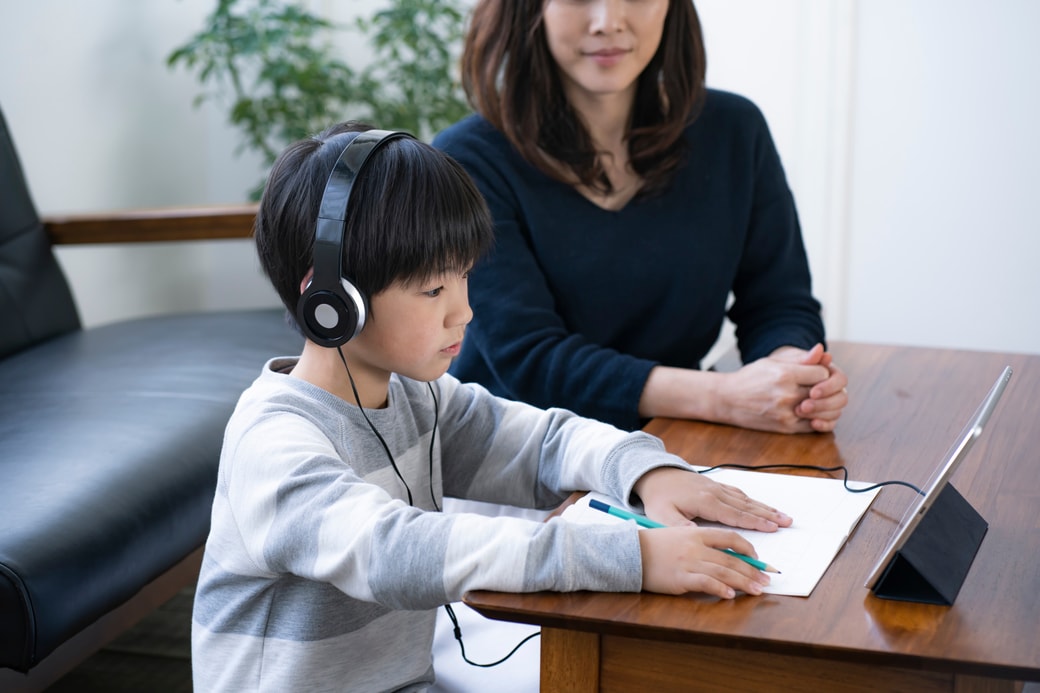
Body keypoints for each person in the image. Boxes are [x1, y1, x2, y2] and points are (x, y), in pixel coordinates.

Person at [189, 121, 793, 692]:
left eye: (464, 278)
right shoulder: (275, 446)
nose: (464, 313)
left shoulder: (416, 397)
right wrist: (631, 557)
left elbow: (540, 443)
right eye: (432, 290)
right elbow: (398, 552)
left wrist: (646, 471)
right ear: (330, 300)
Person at [432, 0, 849, 434]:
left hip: (674, 435)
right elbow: (530, 358)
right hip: (523, 457)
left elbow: (778, 300)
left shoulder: (735, 131)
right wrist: (724, 397)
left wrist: (792, 374)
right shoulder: (467, 159)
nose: (608, 22)